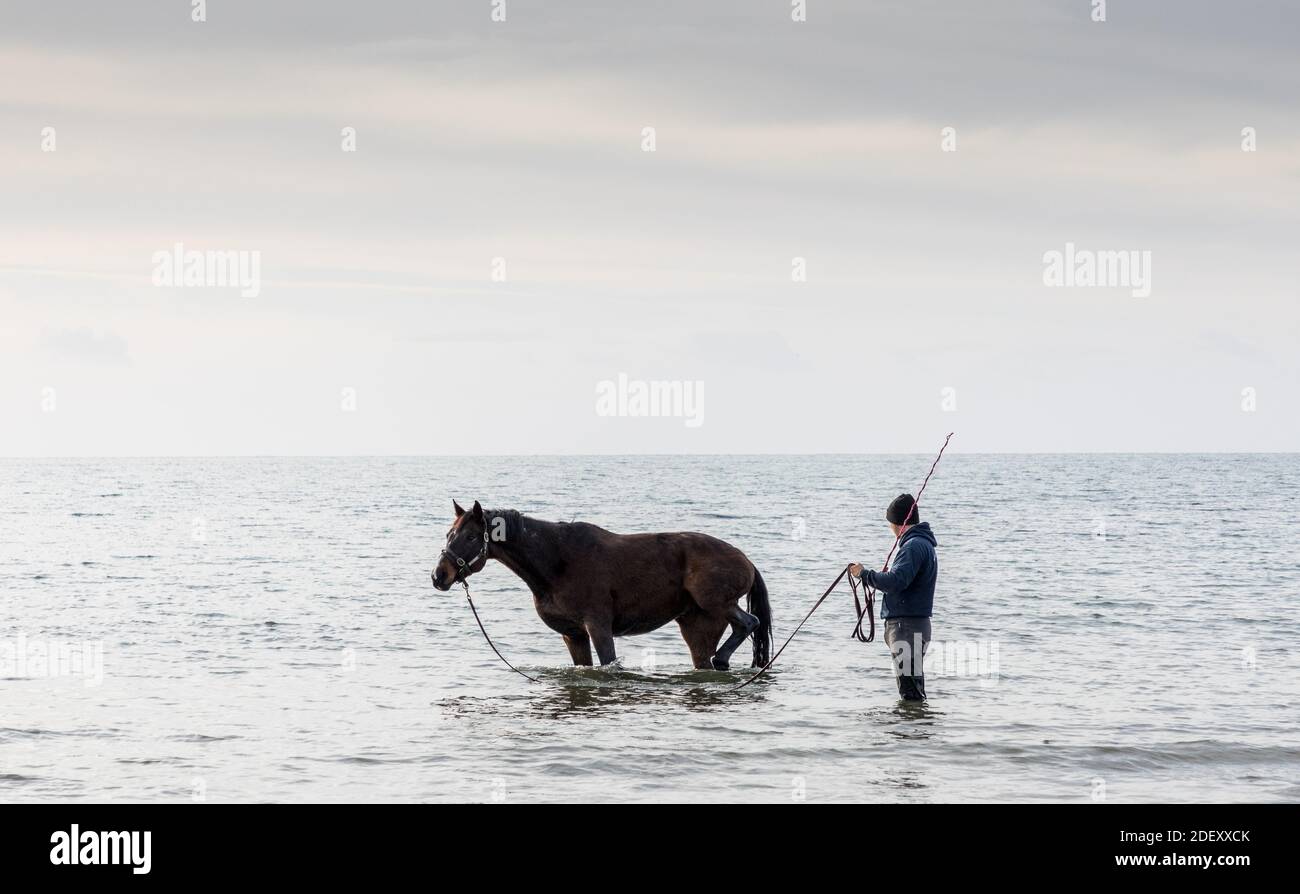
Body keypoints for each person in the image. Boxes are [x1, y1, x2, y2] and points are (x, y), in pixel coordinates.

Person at [849, 493, 938, 701]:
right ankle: (915, 729)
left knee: (909, 692)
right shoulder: (923, 544)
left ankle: (908, 731)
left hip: (906, 627)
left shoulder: (913, 546)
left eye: (890, 523)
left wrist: (865, 574)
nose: (890, 528)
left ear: (899, 522)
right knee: (913, 688)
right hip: (914, 625)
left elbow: (895, 581)